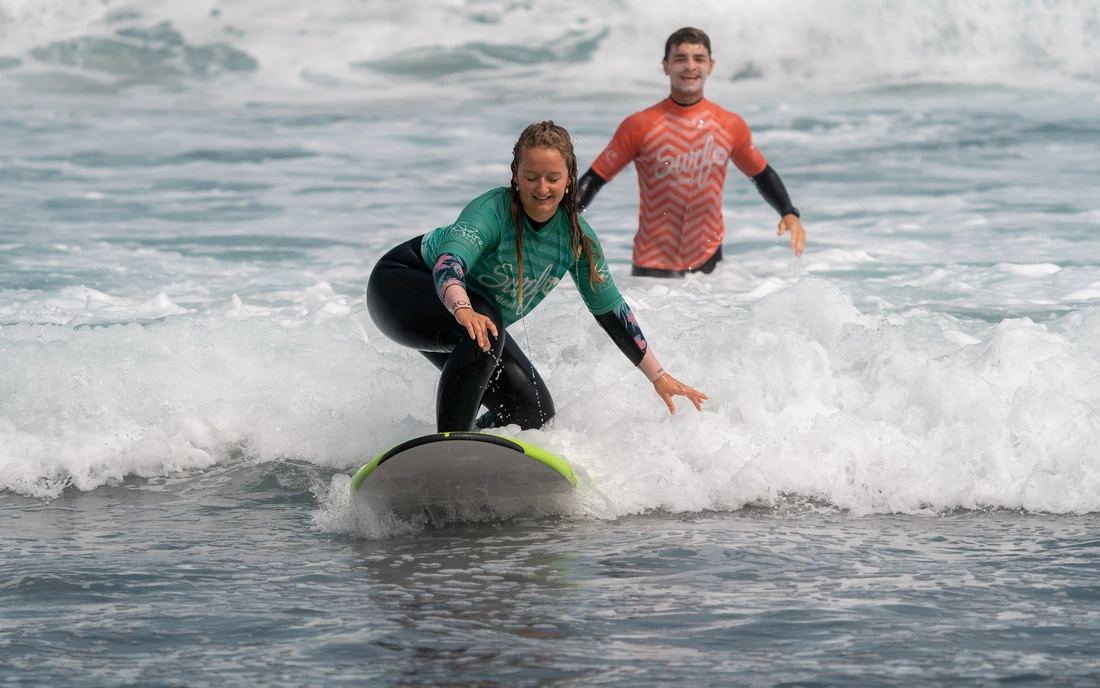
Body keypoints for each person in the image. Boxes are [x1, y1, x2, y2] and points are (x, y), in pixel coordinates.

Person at [367, 121, 708, 433]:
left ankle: (470, 452)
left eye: (552, 178)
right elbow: (448, 263)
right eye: (531, 176)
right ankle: (450, 449)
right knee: (483, 327)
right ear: (515, 173)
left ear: (570, 176)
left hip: (470, 318)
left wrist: (658, 376)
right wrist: (463, 310)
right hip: (401, 285)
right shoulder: (491, 212)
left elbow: (611, 311)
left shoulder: (576, 239)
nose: (541, 188)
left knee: (532, 413)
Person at [577, 27, 807, 278]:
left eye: (699, 59)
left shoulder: (729, 125)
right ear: (666, 66)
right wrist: (560, 223)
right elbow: (595, 178)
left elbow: (762, 175)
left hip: (711, 267)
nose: (690, 66)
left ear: (711, 65)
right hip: (651, 266)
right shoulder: (640, 125)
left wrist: (788, 213)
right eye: (680, 59)